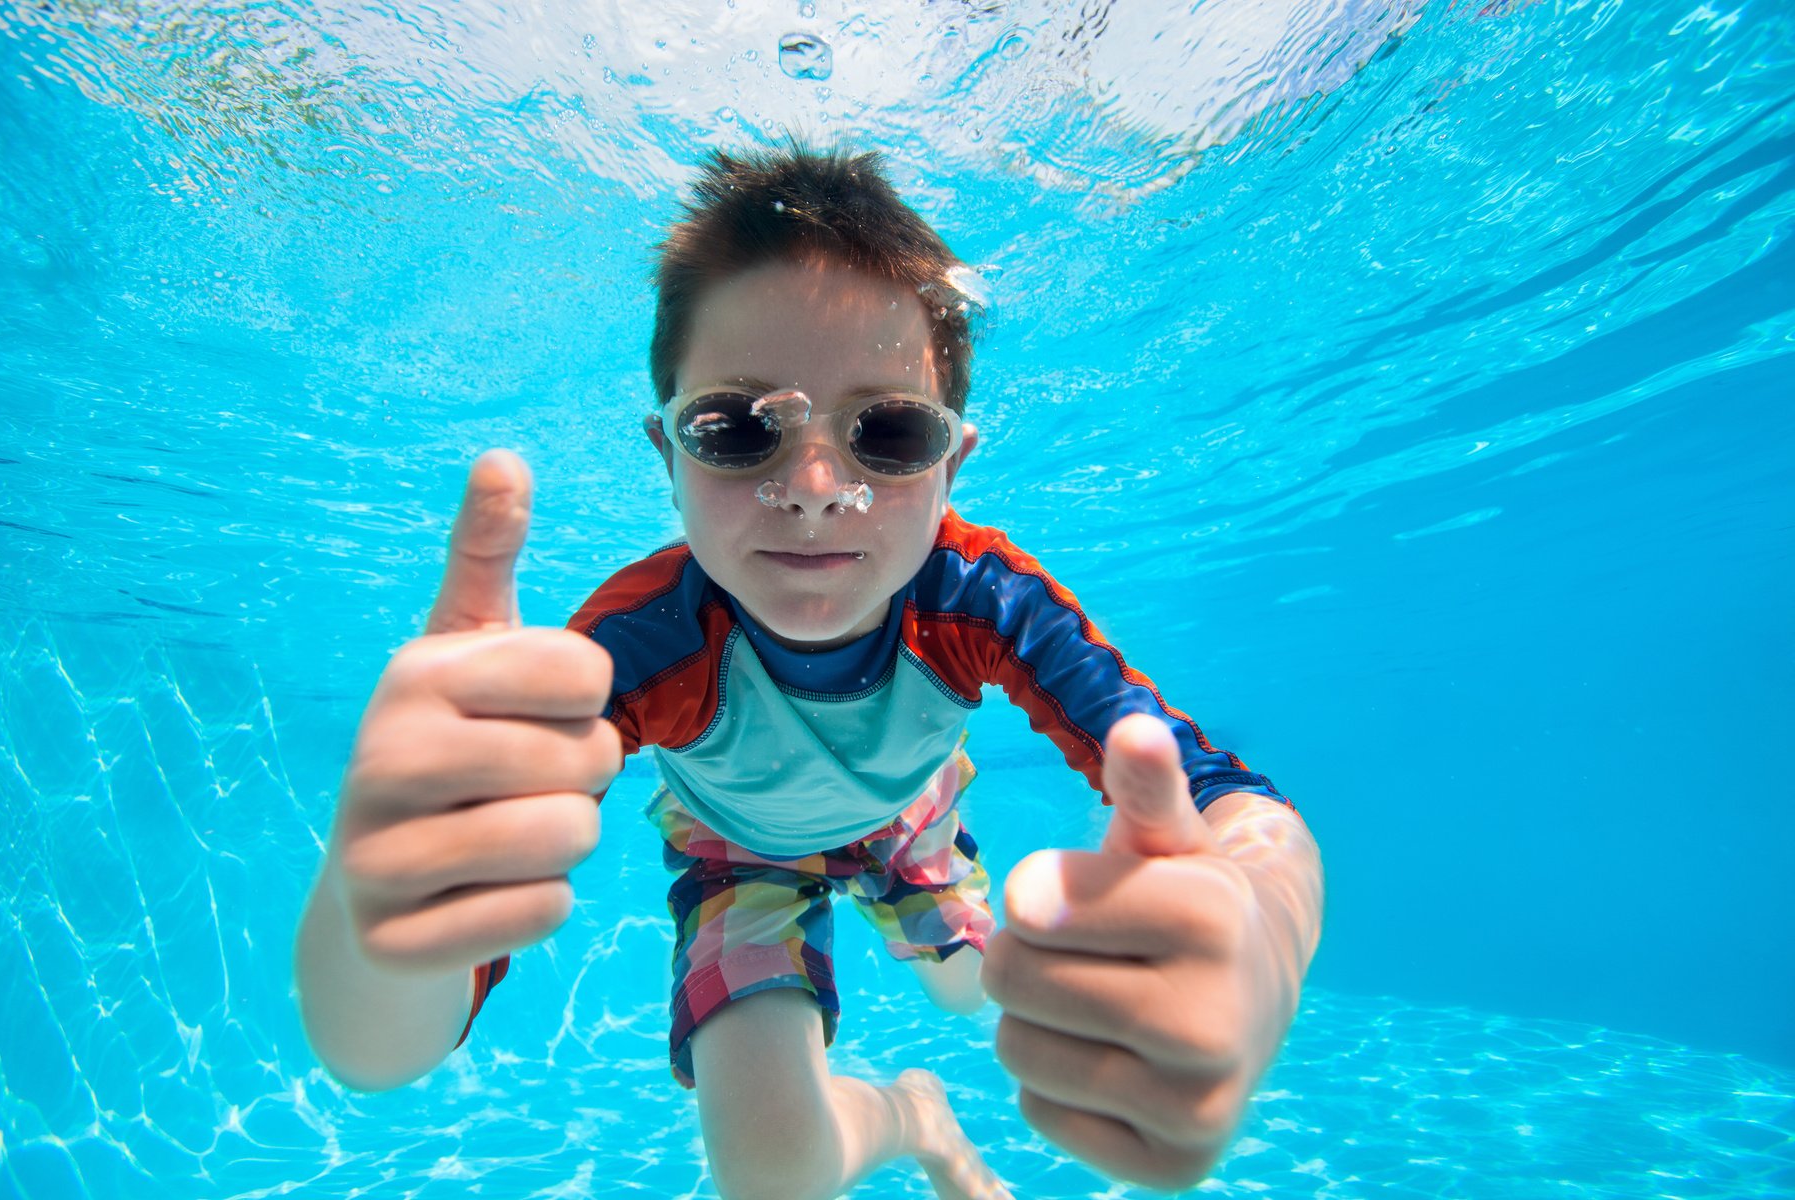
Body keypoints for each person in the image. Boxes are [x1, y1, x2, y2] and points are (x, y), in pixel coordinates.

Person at [294, 144, 1324, 1200]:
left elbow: (1223, 796)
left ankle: (932, 1029)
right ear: (668, 455)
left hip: (907, 819)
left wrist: (1268, 926)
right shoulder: (638, 646)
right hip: (736, 850)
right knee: (772, 1180)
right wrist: (376, 912)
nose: (818, 488)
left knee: (985, 990)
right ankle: (914, 1116)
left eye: (888, 431)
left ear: (951, 461)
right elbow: (381, 1054)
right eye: (738, 430)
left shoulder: (981, 600)